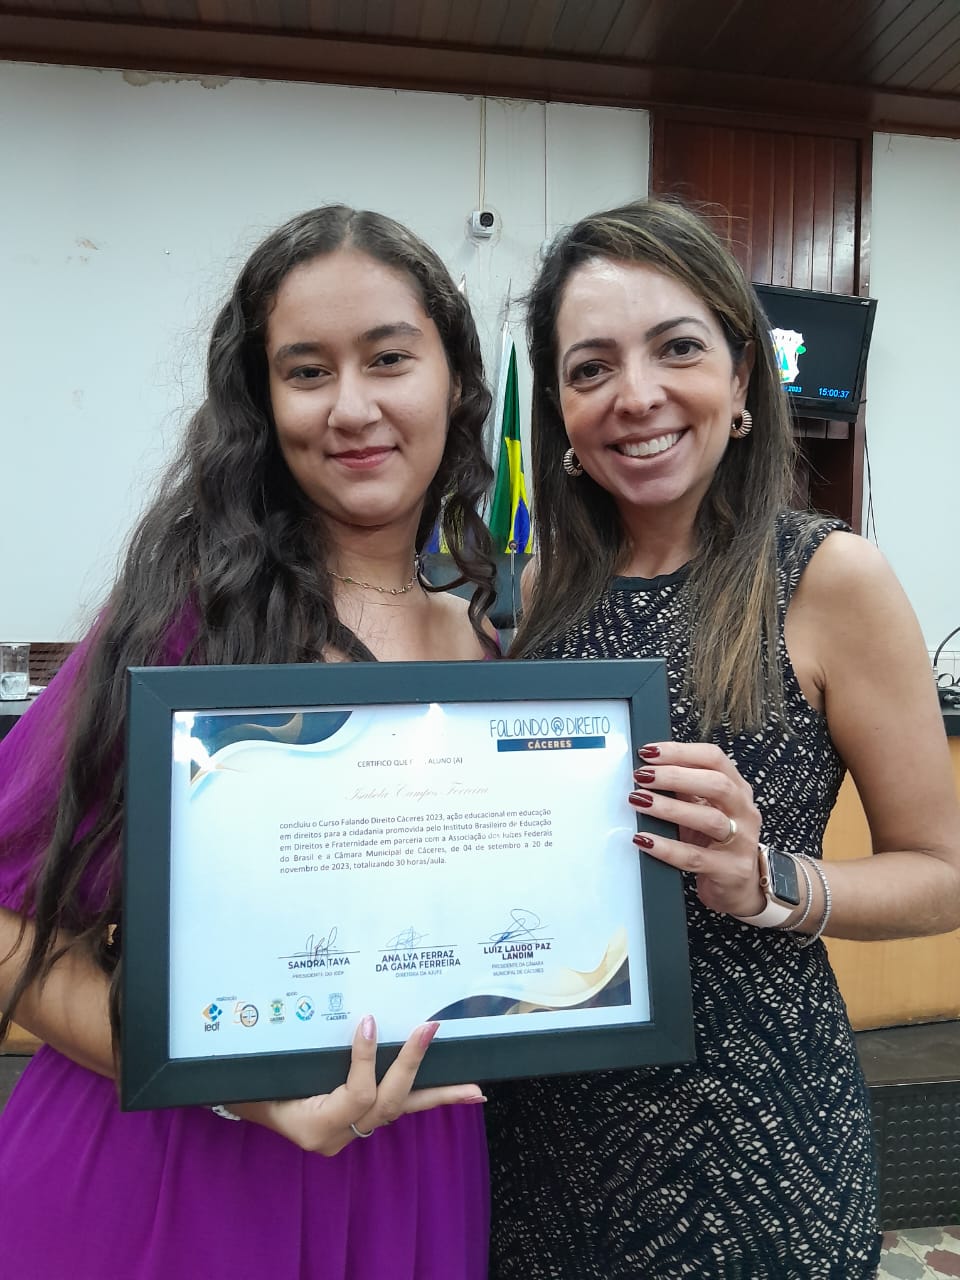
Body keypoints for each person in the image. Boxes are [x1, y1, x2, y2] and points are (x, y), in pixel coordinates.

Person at [0, 205, 498, 1280]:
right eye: (307, 371)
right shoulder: (190, 623)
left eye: (389, 358)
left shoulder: (495, 652)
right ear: (263, 404)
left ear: (456, 377)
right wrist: (238, 1087)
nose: (352, 406)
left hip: (414, 1168)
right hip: (171, 1182)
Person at [486, 199, 960, 1279]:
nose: (637, 394)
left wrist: (767, 880)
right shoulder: (536, 593)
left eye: (678, 347)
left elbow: (942, 875)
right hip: (543, 1131)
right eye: (591, 367)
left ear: (742, 378)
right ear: (559, 410)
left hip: (752, 1134)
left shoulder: (828, 577)